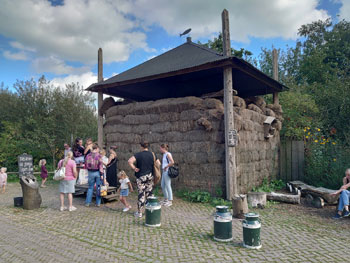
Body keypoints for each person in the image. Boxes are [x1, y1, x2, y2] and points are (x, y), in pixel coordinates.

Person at [128, 141, 160, 218]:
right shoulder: (152, 154)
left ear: (141, 146)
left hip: (141, 176)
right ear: (148, 147)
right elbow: (159, 163)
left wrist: (134, 168)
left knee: (141, 194)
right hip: (150, 176)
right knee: (149, 193)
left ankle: (140, 213)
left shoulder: (138, 155)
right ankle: (149, 210)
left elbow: (130, 161)